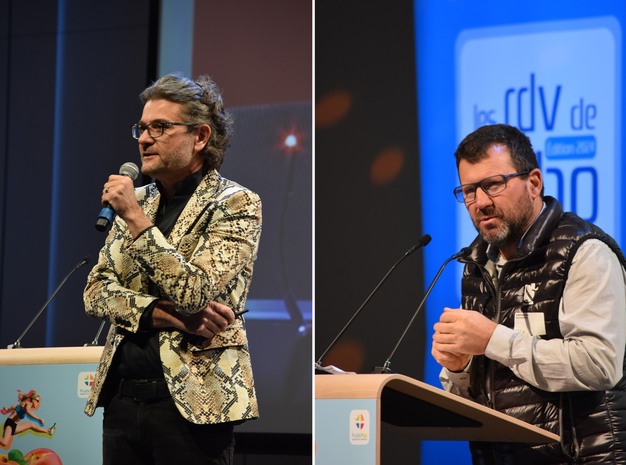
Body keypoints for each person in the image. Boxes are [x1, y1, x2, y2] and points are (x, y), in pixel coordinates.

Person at [84, 73, 262, 464]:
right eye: (142, 128)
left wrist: (134, 217)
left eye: (160, 127)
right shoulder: (139, 200)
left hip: (192, 408)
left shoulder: (235, 204)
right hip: (122, 400)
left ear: (200, 136)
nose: (145, 139)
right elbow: (96, 292)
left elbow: (194, 292)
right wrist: (169, 316)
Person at [431, 123, 626, 464]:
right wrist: (460, 369)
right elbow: (489, 392)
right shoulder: (476, 265)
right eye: (469, 191)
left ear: (534, 183)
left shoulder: (584, 251)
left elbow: (599, 364)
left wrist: (492, 339)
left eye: (493, 184)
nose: (480, 202)